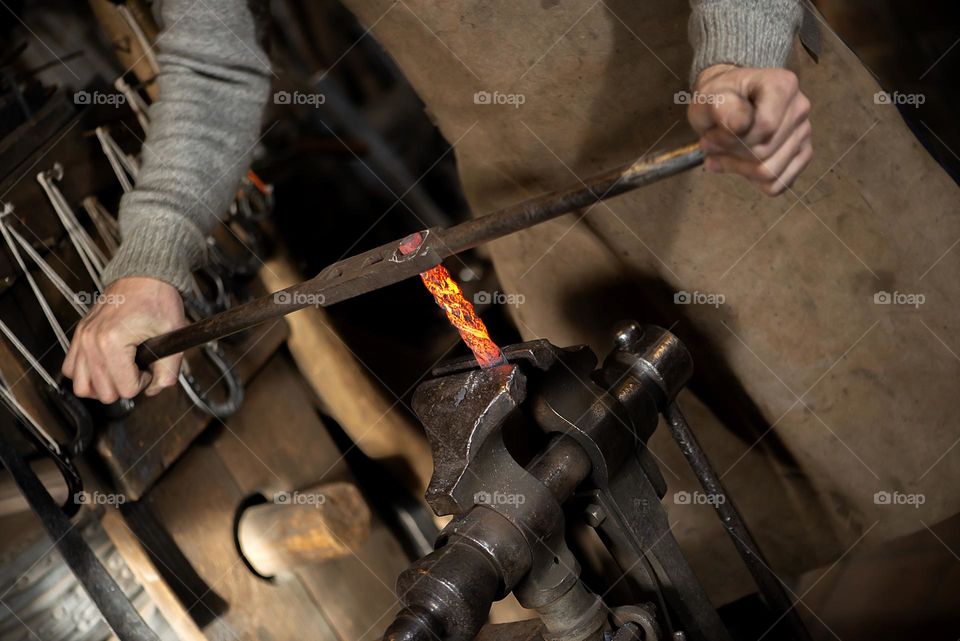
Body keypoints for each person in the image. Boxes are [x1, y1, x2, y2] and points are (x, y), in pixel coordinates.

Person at [63, 0, 960, 606]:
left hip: (731, 123)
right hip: (541, 198)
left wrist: (742, 38)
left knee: (923, 434)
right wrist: (151, 263)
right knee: (714, 543)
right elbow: (214, 68)